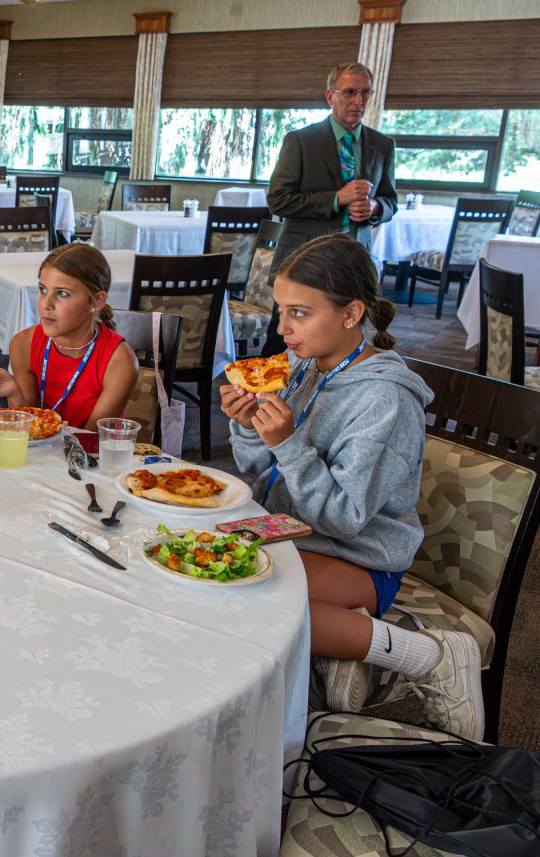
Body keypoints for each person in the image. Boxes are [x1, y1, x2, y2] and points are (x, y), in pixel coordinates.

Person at [221, 233, 484, 740]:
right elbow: (258, 474)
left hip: (361, 556)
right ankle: (339, 645)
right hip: (293, 535)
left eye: (299, 313)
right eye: (281, 312)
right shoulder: (300, 370)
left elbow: (344, 517)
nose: (282, 329)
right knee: (201, 563)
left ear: (350, 313)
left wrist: (290, 443)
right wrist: (249, 427)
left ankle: (432, 656)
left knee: (244, 598)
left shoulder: (386, 400)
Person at [262, 61, 397, 356]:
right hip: (303, 260)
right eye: (349, 92)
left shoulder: (382, 145)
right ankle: (267, 400)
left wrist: (375, 207)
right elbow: (278, 200)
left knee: (346, 342)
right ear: (330, 96)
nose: (358, 101)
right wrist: (337, 198)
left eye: (365, 93)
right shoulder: (301, 141)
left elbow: (391, 202)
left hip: (355, 261)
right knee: (285, 344)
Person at [0, 243, 138, 430]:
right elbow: (28, 433)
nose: (46, 304)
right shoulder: (23, 344)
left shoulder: (119, 361)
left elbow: (89, 443)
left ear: (97, 301)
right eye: (43, 290)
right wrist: (14, 392)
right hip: (41, 454)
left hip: (91, 455)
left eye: (62, 293)